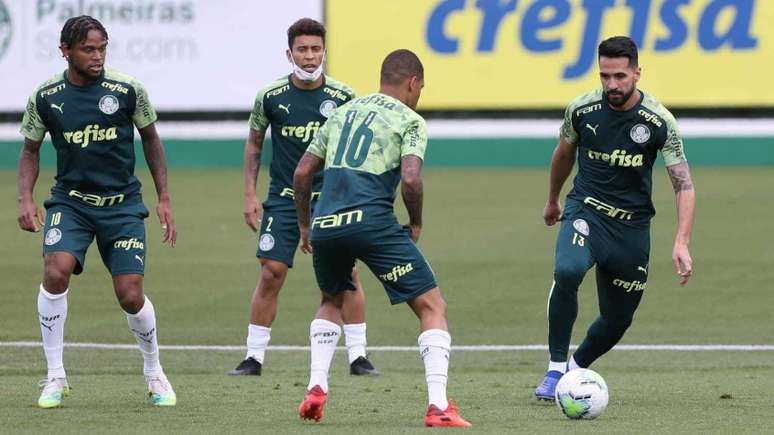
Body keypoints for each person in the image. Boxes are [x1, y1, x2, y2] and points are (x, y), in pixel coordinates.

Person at [293, 49, 472, 427]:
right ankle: (439, 406)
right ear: (412, 83)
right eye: (420, 87)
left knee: (331, 299)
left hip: (326, 223)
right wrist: (416, 222)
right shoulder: (410, 120)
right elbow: (410, 178)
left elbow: (302, 172)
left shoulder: (341, 113)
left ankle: (315, 389)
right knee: (431, 306)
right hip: (371, 222)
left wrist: (307, 225)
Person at [17, 15, 178, 408]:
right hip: (70, 203)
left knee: (129, 294)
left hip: (121, 206)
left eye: (102, 48)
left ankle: (154, 371)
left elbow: (151, 140)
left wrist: (163, 198)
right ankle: (55, 377)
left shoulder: (127, 90)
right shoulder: (45, 96)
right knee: (55, 270)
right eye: (88, 49)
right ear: (65, 51)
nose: (97, 56)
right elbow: (31, 149)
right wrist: (25, 197)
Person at [534, 36, 696, 400]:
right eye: (605, 76)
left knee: (618, 319)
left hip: (631, 229)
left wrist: (681, 240)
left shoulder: (659, 122)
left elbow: (683, 185)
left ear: (637, 73)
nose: (612, 85)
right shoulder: (581, 110)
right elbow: (563, 154)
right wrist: (552, 201)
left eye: (620, 76)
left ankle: (574, 372)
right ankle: (555, 368)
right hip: (585, 212)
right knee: (568, 270)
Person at [229, 18, 377, 377]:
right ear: (289, 53)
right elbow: (254, 144)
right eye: (302, 49)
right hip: (282, 198)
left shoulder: (343, 97)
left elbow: (356, 151)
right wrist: (249, 193)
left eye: (315, 49)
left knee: (348, 273)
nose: (309, 57)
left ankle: (358, 356)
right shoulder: (271, 97)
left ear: (325, 51)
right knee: (271, 272)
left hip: (331, 198)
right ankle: (254, 357)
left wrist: (356, 195)